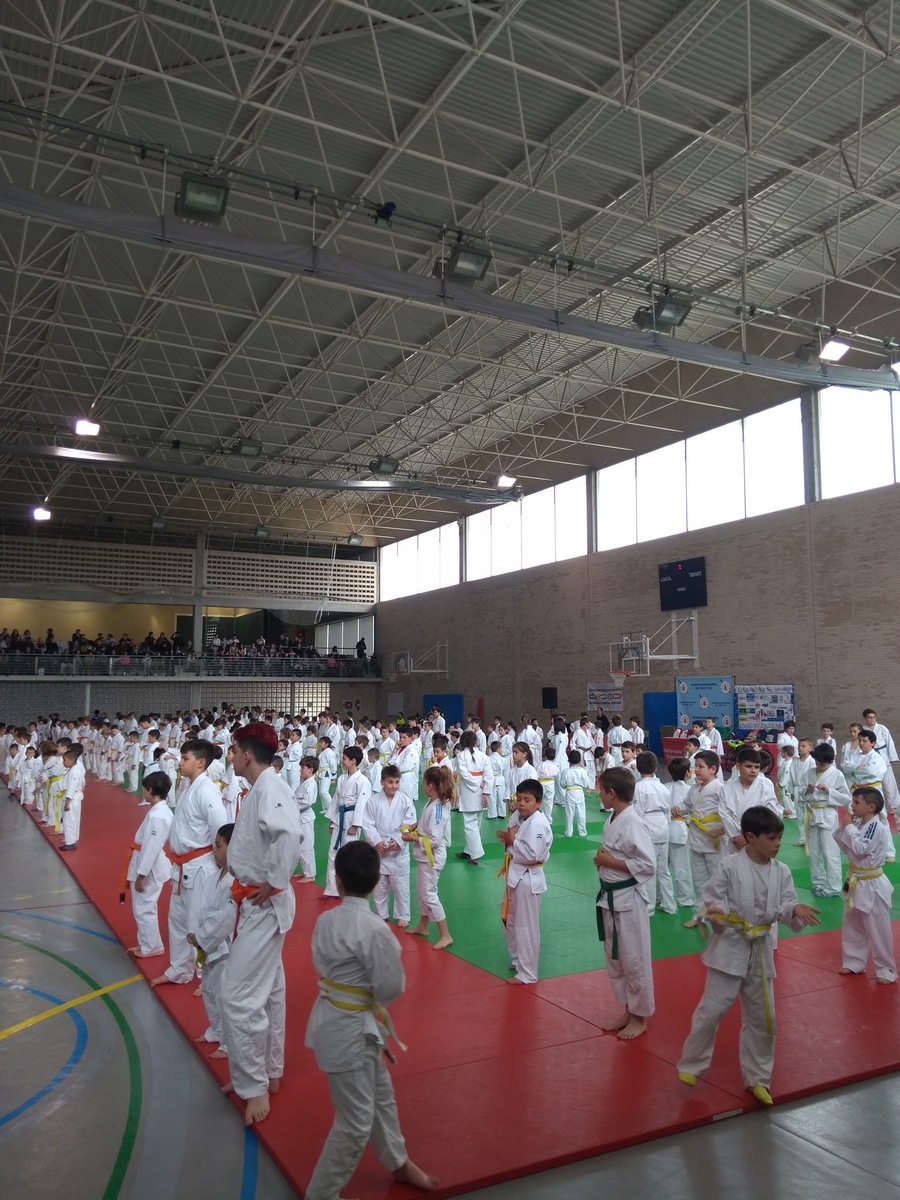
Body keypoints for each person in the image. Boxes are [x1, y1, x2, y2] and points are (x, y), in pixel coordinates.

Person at [304, 840, 437, 1200]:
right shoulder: (377, 930)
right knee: (356, 1121)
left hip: (343, 1021)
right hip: (349, 1029)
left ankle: (398, 1162)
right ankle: (320, 1194)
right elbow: (391, 988)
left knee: (381, 1096)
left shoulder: (326, 920)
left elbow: (321, 965)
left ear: (338, 879)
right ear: (378, 879)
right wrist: (365, 998)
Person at [677, 806, 821, 1104]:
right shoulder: (729, 866)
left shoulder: (781, 872)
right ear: (751, 838)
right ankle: (692, 1064)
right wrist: (716, 913)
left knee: (763, 1019)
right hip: (730, 946)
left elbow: (784, 906)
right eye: (772, 838)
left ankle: (758, 1079)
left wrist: (794, 909)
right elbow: (712, 896)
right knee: (711, 1011)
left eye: (781, 837)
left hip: (761, 948)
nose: (778, 844)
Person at [219, 722, 302, 1126]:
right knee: (269, 991)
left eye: (233, 751)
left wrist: (274, 881)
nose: (230, 757)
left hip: (264, 904)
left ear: (246, 754)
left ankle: (253, 1085)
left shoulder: (270, 788)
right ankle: (268, 1073)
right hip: (256, 900)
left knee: (237, 996)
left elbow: (291, 834)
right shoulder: (262, 789)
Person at [151, 740, 227, 988]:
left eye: (185, 758)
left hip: (201, 865)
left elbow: (220, 828)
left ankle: (206, 977)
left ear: (200, 762)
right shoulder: (190, 786)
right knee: (178, 920)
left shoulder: (207, 790)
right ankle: (179, 970)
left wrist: (220, 863)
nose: (180, 762)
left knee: (199, 922)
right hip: (183, 866)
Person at [594, 766, 656, 1040]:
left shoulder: (633, 822)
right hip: (610, 898)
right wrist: (604, 861)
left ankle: (640, 1018)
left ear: (612, 793)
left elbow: (647, 864)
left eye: (600, 791)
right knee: (616, 958)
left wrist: (610, 862)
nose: (598, 796)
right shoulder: (614, 818)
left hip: (629, 900)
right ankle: (629, 1010)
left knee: (634, 959)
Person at [833, 786, 897, 984]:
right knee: (853, 924)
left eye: (856, 803)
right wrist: (846, 828)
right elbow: (847, 848)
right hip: (855, 881)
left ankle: (886, 969)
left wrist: (849, 828)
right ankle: (854, 962)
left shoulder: (877, 827)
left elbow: (860, 849)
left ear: (870, 807)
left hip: (872, 884)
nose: (852, 806)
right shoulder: (861, 825)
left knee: (878, 928)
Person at [498, 779, 553, 985]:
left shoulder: (538, 823)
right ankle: (517, 958)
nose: (521, 803)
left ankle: (528, 973)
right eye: (519, 799)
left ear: (538, 803)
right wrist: (508, 839)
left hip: (528, 878)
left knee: (526, 926)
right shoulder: (518, 816)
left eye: (527, 800)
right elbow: (510, 834)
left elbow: (533, 854)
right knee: (509, 920)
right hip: (514, 874)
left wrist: (512, 841)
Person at [189, 822, 236, 1059]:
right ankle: (216, 1031)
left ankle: (229, 1042)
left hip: (224, 949)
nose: (213, 850)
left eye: (218, 845)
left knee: (222, 995)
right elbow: (204, 910)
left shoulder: (236, 881)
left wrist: (200, 937)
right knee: (208, 989)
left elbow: (225, 918)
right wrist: (196, 933)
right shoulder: (215, 875)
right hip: (207, 945)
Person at [403, 764, 454, 950]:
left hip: (433, 858)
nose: (422, 786)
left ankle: (445, 934)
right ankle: (423, 926)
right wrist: (415, 826)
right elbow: (426, 821)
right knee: (422, 892)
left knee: (429, 895)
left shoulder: (438, 808)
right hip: (425, 857)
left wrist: (411, 838)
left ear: (430, 786)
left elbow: (434, 840)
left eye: (424, 783)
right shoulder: (432, 802)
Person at [124, 770, 173, 958]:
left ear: (151, 790)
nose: (143, 792)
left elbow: (152, 847)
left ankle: (152, 947)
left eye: (144, 789)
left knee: (145, 907)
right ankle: (146, 943)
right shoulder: (158, 811)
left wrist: (141, 875)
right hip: (144, 859)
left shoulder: (159, 816)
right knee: (141, 906)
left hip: (150, 867)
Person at [674, 750, 725, 929]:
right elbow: (687, 805)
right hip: (696, 837)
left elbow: (729, 813)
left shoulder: (720, 788)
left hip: (714, 840)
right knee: (699, 880)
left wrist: (721, 830)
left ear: (713, 769)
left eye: (700, 767)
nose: (696, 770)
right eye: (695, 767)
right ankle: (700, 915)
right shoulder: (695, 788)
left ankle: (720, 915)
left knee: (717, 880)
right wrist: (678, 808)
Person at [362, 763, 416, 926]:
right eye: (390, 782)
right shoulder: (373, 801)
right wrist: (377, 841)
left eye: (397, 782)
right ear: (382, 782)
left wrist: (399, 841)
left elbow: (411, 824)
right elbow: (368, 824)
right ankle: (381, 914)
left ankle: (403, 915)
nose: (394, 786)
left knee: (401, 886)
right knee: (380, 886)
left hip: (397, 850)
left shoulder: (405, 800)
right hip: (380, 848)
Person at [323, 746, 373, 898]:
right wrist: (332, 819)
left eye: (344, 759)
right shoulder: (341, 778)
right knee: (333, 853)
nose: (342, 761)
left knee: (349, 857)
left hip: (351, 820)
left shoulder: (363, 781)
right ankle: (331, 889)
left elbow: (362, 803)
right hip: (340, 818)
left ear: (353, 761)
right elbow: (336, 800)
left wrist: (356, 824)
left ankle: (349, 889)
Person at [805, 743, 851, 897]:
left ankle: (833, 886)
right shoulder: (809, 772)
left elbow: (846, 798)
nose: (819, 765)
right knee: (814, 851)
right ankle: (818, 882)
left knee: (830, 851)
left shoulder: (837, 774)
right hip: (811, 814)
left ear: (831, 761)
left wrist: (829, 790)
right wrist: (807, 789)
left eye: (822, 763)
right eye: (817, 762)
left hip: (827, 814)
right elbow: (798, 790)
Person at [633, 751, 675, 914]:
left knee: (648, 869)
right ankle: (669, 904)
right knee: (663, 869)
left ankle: (649, 908)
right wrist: (667, 828)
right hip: (663, 827)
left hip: (647, 828)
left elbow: (637, 813)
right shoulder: (663, 787)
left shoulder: (638, 787)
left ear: (638, 768)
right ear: (656, 768)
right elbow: (668, 812)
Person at [454, 729, 493, 866]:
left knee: (470, 824)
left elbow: (464, 775)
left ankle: (475, 854)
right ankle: (469, 850)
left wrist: (479, 786)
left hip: (469, 791)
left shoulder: (461, 756)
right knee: (476, 823)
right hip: (480, 790)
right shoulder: (484, 756)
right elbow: (489, 776)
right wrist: (484, 790)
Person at [666, 757, 694, 909]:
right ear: (688, 772)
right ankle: (684, 899)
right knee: (682, 868)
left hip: (664, 829)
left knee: (662, 868)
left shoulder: (665, 787)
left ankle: (660, 897)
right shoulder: (690, 790)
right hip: (680, 829)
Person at [293, 755, 319, 883]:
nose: (300, 770)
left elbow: (307, 802)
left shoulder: (311, 784)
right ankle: (304, 870)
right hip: (300, 817)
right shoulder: (305, 782)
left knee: (306, 846)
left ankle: (310, 874)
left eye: (303, 768)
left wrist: (292, 806)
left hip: (305, 818)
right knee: (299, 845)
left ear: (311, 769)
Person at [558, 748, 591, 838]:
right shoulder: (583, 771)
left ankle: (569, 832)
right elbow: (586, 784)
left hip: (569, 793)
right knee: (581, 814)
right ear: (580, 760)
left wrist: (567, 787)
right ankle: (582, 832)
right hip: (579, 793)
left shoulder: (566, 771)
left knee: (569, 814)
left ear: (568, 760)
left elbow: (562, 784)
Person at [58, 744, 86, 850]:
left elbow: (72, 787)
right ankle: (72, 839)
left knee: (69, 820)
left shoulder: (75, 771)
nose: (63, 762)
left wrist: (67, 801)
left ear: (71, 760)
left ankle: (70, 842)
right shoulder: (73, 769)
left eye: (64, 760)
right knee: (72, 819)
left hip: (72, 797)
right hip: (75, 796)